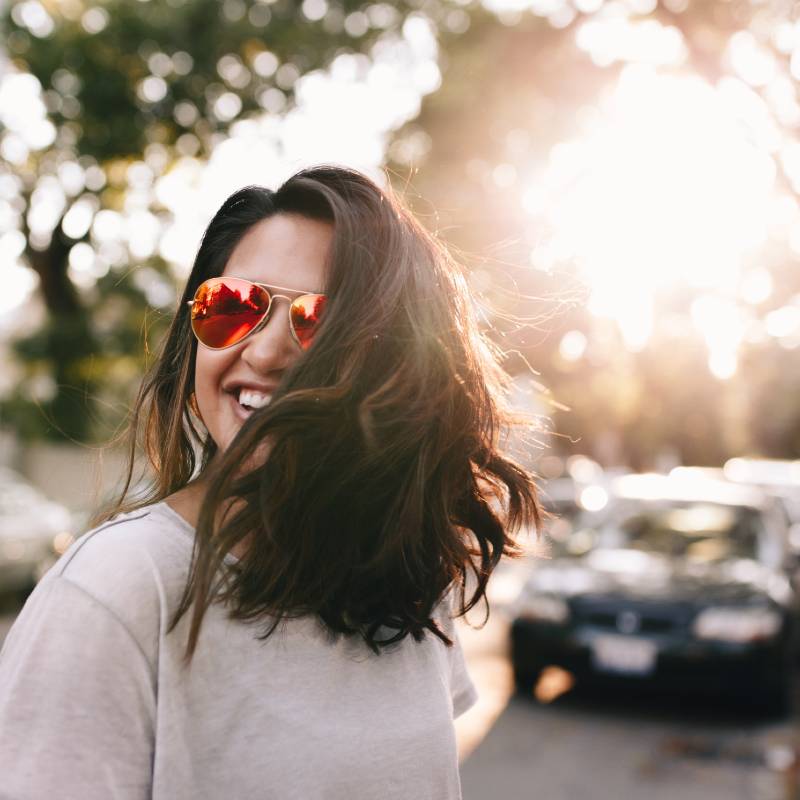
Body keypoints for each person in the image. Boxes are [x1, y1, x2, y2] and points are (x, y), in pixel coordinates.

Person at [0, 165, 542, 799]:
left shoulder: (407, 583)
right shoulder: (118, 587)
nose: (262, 352)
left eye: (320, 323)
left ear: (399, 365)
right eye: (233, 307)